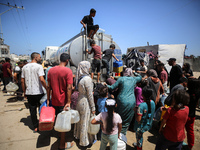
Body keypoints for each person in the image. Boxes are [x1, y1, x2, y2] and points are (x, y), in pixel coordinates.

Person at [47, 53, 74, 150]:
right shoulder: (68, 71)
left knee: (57, 119)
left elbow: (48, 86)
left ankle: (59, 135)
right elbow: (69, 87)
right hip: (63, 101)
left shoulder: (51, 70)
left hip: (54, 100)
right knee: (63, 122)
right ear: (67, 61)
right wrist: (69, 101)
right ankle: (62, 145)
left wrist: (48, 99)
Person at [105, 70, 142, 135]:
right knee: (127, 118)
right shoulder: (133, 79)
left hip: (122, 101)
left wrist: (106, 85)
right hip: (132, 101)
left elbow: (112, 87)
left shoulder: (121, 79)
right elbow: (140, 77)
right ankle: (123, 133)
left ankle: (116, 132)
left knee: (119, 117)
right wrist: (134, 73)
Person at [21, 52, 47, 132]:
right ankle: (42, 124)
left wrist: (24, 91)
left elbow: (22, 81)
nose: (40, 58)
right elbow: (42, 79)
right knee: (41, 109)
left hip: (29, 92)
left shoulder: (24, 67)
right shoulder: (39, 67)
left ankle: (36, 126)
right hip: (39, 92)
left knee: (32, 110)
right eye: (39, 57)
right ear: (35, 58)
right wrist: (47, 88)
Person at [74, 61, 96, 147]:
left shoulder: (79, 78)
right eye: (89, 67)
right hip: (85, 102)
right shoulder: (87, 79)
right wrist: (93, 107)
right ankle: (84, 142)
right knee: (85, 122)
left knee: (80, 121)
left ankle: (79, 137)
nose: (90, 68)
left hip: (80, 100)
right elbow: (90, 95)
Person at [185, 79, 200, 149]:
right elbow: (197, 104)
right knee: (190, 131)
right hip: (192, 115)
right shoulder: (197, 93)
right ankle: (190, 145)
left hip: (185, 114)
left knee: (180, 128)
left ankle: (177, 142)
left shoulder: (186, 93)